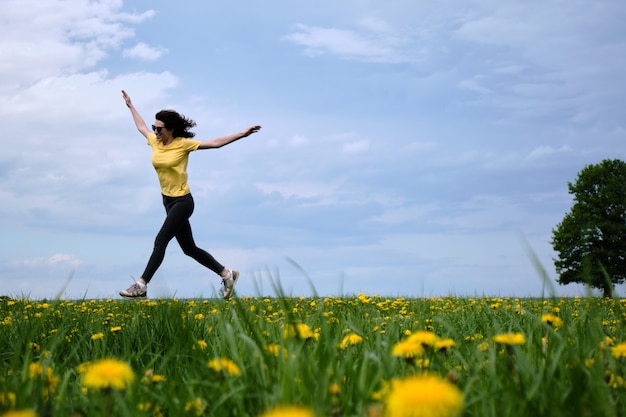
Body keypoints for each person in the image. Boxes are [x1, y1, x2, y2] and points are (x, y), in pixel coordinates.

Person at [118, 90, 261, 300]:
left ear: (171, 129)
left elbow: (215, 143)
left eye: (159, 128)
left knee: (161, 240)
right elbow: (140, 126)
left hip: (183, 202)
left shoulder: (183, 144)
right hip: (167, 201)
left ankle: (141, 285)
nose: (155, 131)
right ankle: (227, 274)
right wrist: (131, 106)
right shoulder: (155, 141)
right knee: (189, 249)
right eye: (154, 127)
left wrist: (242, 134)